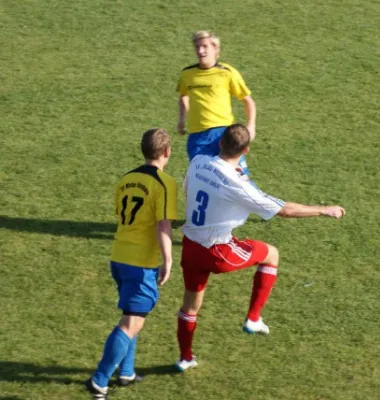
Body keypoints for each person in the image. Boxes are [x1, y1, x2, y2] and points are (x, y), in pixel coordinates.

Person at [175, 124, 345, 372]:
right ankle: (253, 319)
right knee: (271, 254)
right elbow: (284, 210)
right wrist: (323, 209)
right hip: (216, 250)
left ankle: (185, 358)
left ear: (221, 143)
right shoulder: (237, 185)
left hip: (190, 246)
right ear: (246, 150)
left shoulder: (198, 161)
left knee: (190, 306)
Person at [86, 128, 178, 399]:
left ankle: (126, 372)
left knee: (133, 315)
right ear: (167, 152)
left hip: (119, 257)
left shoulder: (126, 179)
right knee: (131, 323)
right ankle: (99, 380)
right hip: (140, 263)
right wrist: (169, 259)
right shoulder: (165, 184)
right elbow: (163, 225)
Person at [177, 30, 257, 176]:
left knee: (240, 179)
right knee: (204, 180)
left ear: (215, 48)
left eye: (204, 46)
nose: (200, 51)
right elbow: (183, 96)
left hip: (224, 134)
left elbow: (248, 100)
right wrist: (182, 120)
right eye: (197, 47)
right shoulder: (186, 74)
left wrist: (251, 125)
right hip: (197, 137)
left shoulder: (227, 72)